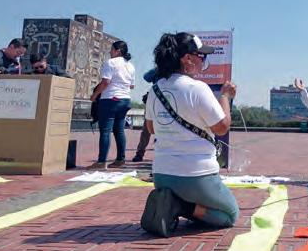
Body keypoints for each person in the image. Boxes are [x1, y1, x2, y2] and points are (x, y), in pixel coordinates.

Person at [140, 32, 239, 237]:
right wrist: (225, 97)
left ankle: (174, 202)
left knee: (204, 204)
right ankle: (180, 206)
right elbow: (221, 127)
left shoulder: (155, 90)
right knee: (229, 214)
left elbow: (151, 128)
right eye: (201, 56)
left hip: (162, 175)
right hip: (195, 174)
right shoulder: (198, 88)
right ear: (187, 59)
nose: (204, 61)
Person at [88, 40, 135, 169]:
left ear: (117, 51)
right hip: (125, 99)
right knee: (119, 131)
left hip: (110, 99)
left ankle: (101, 161)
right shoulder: (130, 66)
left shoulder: (110, 63)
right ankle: (120, 159)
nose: (110, 52)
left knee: (105, 131)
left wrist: (95, 95)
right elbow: (132, 86)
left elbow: (105, 82)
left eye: (111, 49)